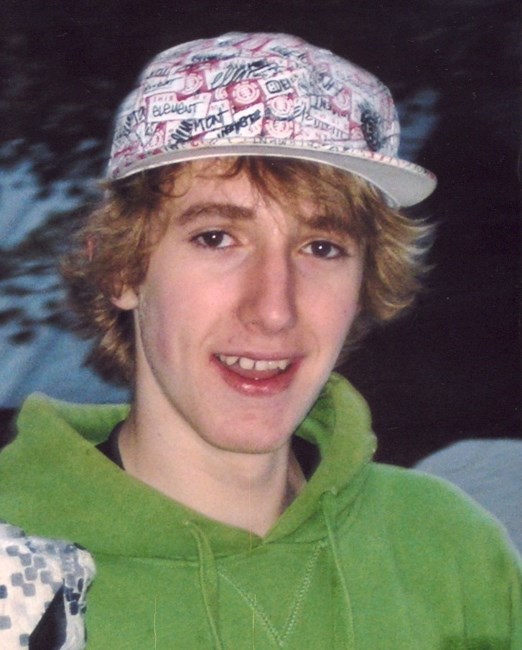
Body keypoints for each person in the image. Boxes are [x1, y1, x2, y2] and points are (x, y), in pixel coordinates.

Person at [0, 32, 520, 649]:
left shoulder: (448, 546)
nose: (274, 310)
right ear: (122, 270)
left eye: (321, 247)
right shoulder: (17, 567)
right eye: (216, 238)